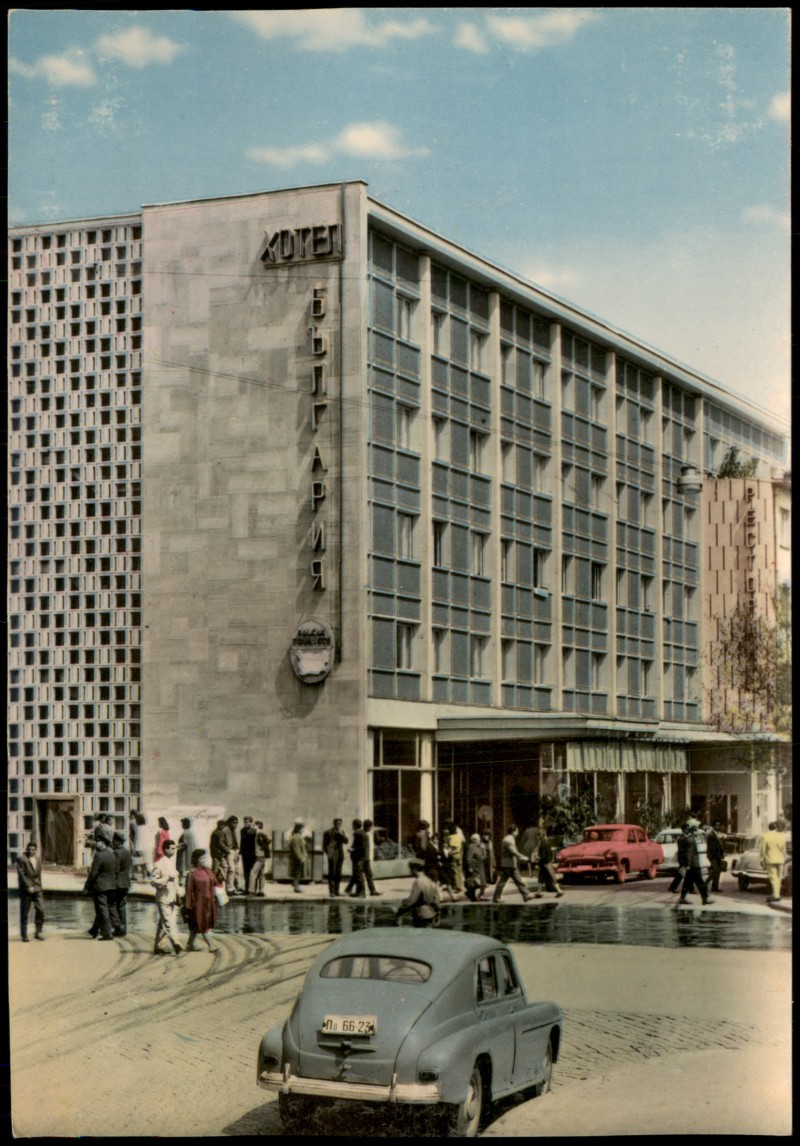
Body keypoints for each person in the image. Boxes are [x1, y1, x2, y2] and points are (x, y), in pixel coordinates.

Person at [185, 849, 221, 952]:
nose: (204, 860)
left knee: (196, 925)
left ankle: (190, 944)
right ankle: (211, 945)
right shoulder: (192, 873)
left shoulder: (208, 870)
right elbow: (189, 891)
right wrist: (189, 906)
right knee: (202, 923)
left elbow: (216, 882)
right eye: (201, 858)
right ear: (196, 860)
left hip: (209, 901)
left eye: (205, 857)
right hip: (198, 903)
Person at [152, 838, 182, 956]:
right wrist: (166, 879)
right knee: (168, 922)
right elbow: (153, 881)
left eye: (174, 849)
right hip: (163, 897)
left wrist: (178, 894)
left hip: (172, 897)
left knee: (163, 923)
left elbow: (176, 882)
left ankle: (158, 946)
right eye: (171, 849)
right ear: (165, 849)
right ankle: (176, 943)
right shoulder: (158, 864)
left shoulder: (171, 863)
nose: (173, 851)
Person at [85, 837, 117, 941]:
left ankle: (107, 933)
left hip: (101, 886)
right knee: (103, 909)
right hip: (112, 886)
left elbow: (93, 873)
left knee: (102, 910)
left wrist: (87, 886)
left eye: (97, 841)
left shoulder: (98, 855)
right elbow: (116, 869)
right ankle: (94, 930)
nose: (95, 843)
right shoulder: (112, 854)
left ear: (103, 843)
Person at [678, 820, 714, 906]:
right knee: (700, 882)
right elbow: (689, 853)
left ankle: (683, 898)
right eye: (696, 830)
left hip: (692, 865)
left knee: (687, 882)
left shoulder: (691, 839)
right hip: (693, 865)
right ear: (693, 831)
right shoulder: (691, 840)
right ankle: (705, 898)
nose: (698, 832)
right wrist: (688, 865)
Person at [492, 825, 532, 903]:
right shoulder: (507, 840)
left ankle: (526, 895)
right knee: (503, 881)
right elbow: (513, 851)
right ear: (513, 831)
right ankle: (496, 897)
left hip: (512, 864)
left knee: (518, 880)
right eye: (517, 831)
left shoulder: (510, 839)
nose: (518, 832)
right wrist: (522, 857)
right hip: (508, 864)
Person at [396, 859, 441, 927]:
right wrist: (438, 912)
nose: (410, 872)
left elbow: (412, 900)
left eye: (411, 870)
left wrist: (400, 910)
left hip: (421, 916)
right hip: (431, 914)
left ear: (415, 870)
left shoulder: (418, 882)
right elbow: (436, 899)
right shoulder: (428, 880)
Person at [16, 842, 45, 942]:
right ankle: (24, 935)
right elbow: (21, 875)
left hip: (37, 889)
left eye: (33, 849)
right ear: (27, 849)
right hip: (26, 890)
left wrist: (39, 887)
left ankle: (38, 932)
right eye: (29, 849)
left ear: (35, 850)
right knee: (25, 912)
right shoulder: (21, 859)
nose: (31, 851)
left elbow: (38, 875)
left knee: (41, 910)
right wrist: (28, 886)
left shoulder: (38, 859)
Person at [109, 830, 131, 937]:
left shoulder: (117, 852)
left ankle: (118, 927)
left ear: (117, 841)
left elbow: (115, 868)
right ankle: (123, 928)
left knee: (113, 905)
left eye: (114, 841)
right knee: (122, 906)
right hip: (125, 882)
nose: (113, 843)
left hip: (118, 883)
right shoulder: (127, 852)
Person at [759, 821, 787, 903]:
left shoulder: (765, 836)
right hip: (780, 860)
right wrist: (784, 858)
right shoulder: (781, 836)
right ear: (776, 827)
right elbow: (784, 850)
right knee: (779, 878)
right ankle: (777, 894)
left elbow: (763, 850)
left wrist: (761, 859)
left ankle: (776, 895)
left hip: (770, 859)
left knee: (773, 878)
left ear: (769, 828)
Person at [351, 819, 380, 897]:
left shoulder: (360, 833)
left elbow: (358, 847)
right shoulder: (362, 834)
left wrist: (352, 849)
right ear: (367, 827)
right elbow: (361, 847)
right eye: (370, 827)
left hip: (362, 858)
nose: (370, 829)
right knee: (366, 875)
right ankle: (369, 891)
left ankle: (363, 892)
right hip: (364, 858)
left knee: (360, 875)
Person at [322, 817, 348, 897]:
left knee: (338, 873)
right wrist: (329, 853)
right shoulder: (328, 832)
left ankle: (337, 891)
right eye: (337, 823)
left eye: (340, 823)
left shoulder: (342, 832)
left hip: (340, 854)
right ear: (334, 824)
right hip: (332, 854)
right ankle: (332, 892)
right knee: (332, 873)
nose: (338, 825)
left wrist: (341, 835)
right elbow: (324, 845)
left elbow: (346, 841)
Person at [533, 833, 564, 899]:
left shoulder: (542, 844)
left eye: (538, 837)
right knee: (542, 877)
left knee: (550, 877)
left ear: (540, 837)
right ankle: (539, 892)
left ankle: (559, 891)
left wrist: (538, 863)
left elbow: (543, 856)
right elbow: (550, 853)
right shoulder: (547, 843)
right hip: (548, 862)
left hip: (544, 863)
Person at [668, 824, 692, 894]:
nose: (688, 830)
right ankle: (690, 889)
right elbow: (682, 851)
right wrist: (683, 861)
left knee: (680, 874)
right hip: (683, 859)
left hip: (684, 859)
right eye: (687, 829)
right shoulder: (682, 839)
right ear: (684, 830)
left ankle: (672, 887)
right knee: (686, 874)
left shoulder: (685, 838)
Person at [221, 815, 242, 895]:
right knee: (231, 869)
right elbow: (221, 842)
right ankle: (229, 888)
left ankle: (235, 888)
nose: (235, 824)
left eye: (236, 823)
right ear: (229, 822)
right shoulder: (224, 830)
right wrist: (227, 850)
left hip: (236, 851)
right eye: (234, 822)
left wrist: (238, 851)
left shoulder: (235, 830)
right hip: (230, 851)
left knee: (236, 870)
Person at [176, 817, 200, 887]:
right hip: (189, 853)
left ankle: (182, 882)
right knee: (188, 868)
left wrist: (177, 846)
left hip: (185, 854)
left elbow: (185, 844)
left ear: (184, 824)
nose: (181, 825)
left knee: (182, 868)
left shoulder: (185, 833)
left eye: (182, 824)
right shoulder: (189, 832)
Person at [444, 820, 466, 894]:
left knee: (454, 871)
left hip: (453, 855)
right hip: (459, 853)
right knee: (459, 870)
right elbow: (463, 841)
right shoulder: (458, 835)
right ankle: (461, 885)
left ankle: (458, 887)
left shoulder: (449, 837)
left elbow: (449, 847)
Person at [464, 833, 488, 901]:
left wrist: (483, 849)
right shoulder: (471, 847)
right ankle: (471, 894)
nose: (479, 840)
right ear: (475, 840)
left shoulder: (479, 847)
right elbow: (468, 858)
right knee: (475, 882)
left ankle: (478, 895)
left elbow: (483, 857)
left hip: (480, 866)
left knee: (482, 883)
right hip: (475, 867)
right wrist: (470, 867)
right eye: (478, 839)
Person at [250, 821, 271, 896]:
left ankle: (251, 891)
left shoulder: (260, 832)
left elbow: (269, 839)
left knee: (253, 873)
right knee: (261, 874)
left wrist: (263, 847)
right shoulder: (257, 833)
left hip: (260, 856)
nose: (253, 826)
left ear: (258, 826)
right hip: (261, 856)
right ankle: (261, 891)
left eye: (254, 825)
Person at [705, 821, 726, 894]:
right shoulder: (711, 835)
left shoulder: (717, 834)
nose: (719, 827)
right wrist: (718, 855)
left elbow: (719, 845)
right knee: (715, 870)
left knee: (718, 871)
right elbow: (712, 847)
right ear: (713, 826)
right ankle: (704, 884)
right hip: (713, 855)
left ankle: (715, 887)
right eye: (717, 825)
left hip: (717, 855)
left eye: (719, 825)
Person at [344, 819, 363, 896]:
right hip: (358, 857)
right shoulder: (359, 833)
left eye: (353, 825)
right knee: (356, 874)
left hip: (357, 857)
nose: (352, 826)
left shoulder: (357, 834)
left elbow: (358, 846)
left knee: (357, 875)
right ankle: (349, 889)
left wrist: (352, 849)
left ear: (355, 825)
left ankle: (356, 891)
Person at [288, 821, 308, 893]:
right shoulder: (296, 837)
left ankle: (296, 886)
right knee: (297, 873)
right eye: (302, 829)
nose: (303, 830)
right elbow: (296, 849)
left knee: (298, 873)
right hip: (297, 859)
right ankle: (296, 888)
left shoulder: (299, 836)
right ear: (299, 829)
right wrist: (300, 857)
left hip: (300, 857)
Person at [239, 815, 257, 894]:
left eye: (247, 822)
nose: (245, 824)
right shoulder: (242, 830)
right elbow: (242, 842)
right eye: (244, 822)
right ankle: (247, 889)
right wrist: (241, 852)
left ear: (251, 822)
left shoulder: (254, 831)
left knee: (252, 872)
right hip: (245, 854)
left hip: (253, 854)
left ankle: (252, 890)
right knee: (246, 872)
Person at [129, 811, 149, 881]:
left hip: (139, 848)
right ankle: (144, 876)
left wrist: (136, 849)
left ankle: (136, 875)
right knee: (143, 863)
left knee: (136, 862)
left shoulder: (138, 828)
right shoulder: (146, 827)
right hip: (145, 848)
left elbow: (137, 840)